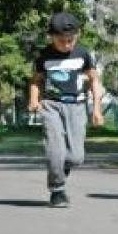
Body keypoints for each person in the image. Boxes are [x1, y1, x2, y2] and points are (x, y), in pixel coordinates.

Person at [28, 12, 104, 207]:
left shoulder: (83, 54)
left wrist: (96, 109)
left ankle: (62, 168)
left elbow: (94, 80)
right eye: (62, 41)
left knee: (76, 157)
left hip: (77, 106)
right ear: (52, 37)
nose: (67, 44)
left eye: (71, 40)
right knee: (55, 150)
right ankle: (57, 191)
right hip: (51, 106)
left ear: (76, 36)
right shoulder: (43, 56)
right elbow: (36, 81)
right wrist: (34, 100)